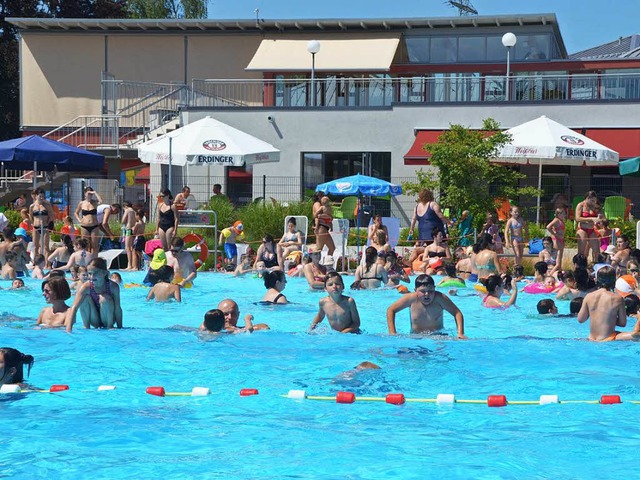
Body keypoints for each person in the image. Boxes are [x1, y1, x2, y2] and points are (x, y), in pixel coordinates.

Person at [386, 274, 465, 338]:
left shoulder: (440, 298)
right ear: (415, 290)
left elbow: (457, 313)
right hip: (416, 336)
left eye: (430, 291)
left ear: (434, 289)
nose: (427, 294)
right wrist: (392, 333)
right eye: (422, 291)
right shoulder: (411, 298)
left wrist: (460, 334)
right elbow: (391, 310)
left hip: (438, 336)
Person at [577, 266, 640, 341]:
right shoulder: (618, 299)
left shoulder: (588, 296)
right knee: (636, 336)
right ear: (614, 281)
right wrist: (609, 318)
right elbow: (623, 323)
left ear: (596, 280)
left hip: (591, 339)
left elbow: (580, 319)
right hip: (609, 338)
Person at [65, 257, 122, 332]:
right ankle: (86, 327)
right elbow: (74, 308)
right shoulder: (86, 287)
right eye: (90, 273)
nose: (92, 277)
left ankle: (109, 327)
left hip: (108, 319)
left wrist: (120, 327)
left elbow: (117, 308)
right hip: (94, 320)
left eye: (96, 273)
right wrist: (68, 330)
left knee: (104, 298)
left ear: (105, 273)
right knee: (84, 299)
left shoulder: (113, 287)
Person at [575, 191, 603, 263]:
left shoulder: (594, 206)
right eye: (592, 200)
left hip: (591, 229)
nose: (593, 202)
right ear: (587, 198)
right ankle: (579, 266)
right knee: (582, 251)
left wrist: (599, 217)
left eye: (595, 200)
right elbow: (577, 218)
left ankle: (595, 265)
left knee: (596, 250)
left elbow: (602, 217)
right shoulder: (581, 205)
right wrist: (591, 219)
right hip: (582, 229)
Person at [75, 186, 102, 254]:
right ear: (85, 194)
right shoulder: (82, 203)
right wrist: (79, 220)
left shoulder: (94, 202)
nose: (89, 195)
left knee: (94, 245)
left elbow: (101, 201)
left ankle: (94, 261)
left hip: (94, 226)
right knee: (85, 245)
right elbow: (76, 213)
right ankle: (85, 261)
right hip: (85, 226)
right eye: (88, 193)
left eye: (91, 194)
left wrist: (95, 192)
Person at [546, 207, 566, 273]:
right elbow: (548, 227)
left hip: (561, 240)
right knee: (558, 263)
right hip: (557, 241)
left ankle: (558, 273)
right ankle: (550, 275)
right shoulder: (556, 220)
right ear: (558, 214)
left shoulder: (560, 220)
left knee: (559, 261)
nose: (564, 215)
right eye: (562, 214)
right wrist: (555, 234)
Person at [121, 201, 136, 271]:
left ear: (125, 206)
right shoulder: (134, 211)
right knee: (131, 248)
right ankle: (132, 265)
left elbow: (123, 220)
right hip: (133, 230)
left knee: (127, 247)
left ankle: (129, 265)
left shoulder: (127, 210)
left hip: (128, 230)